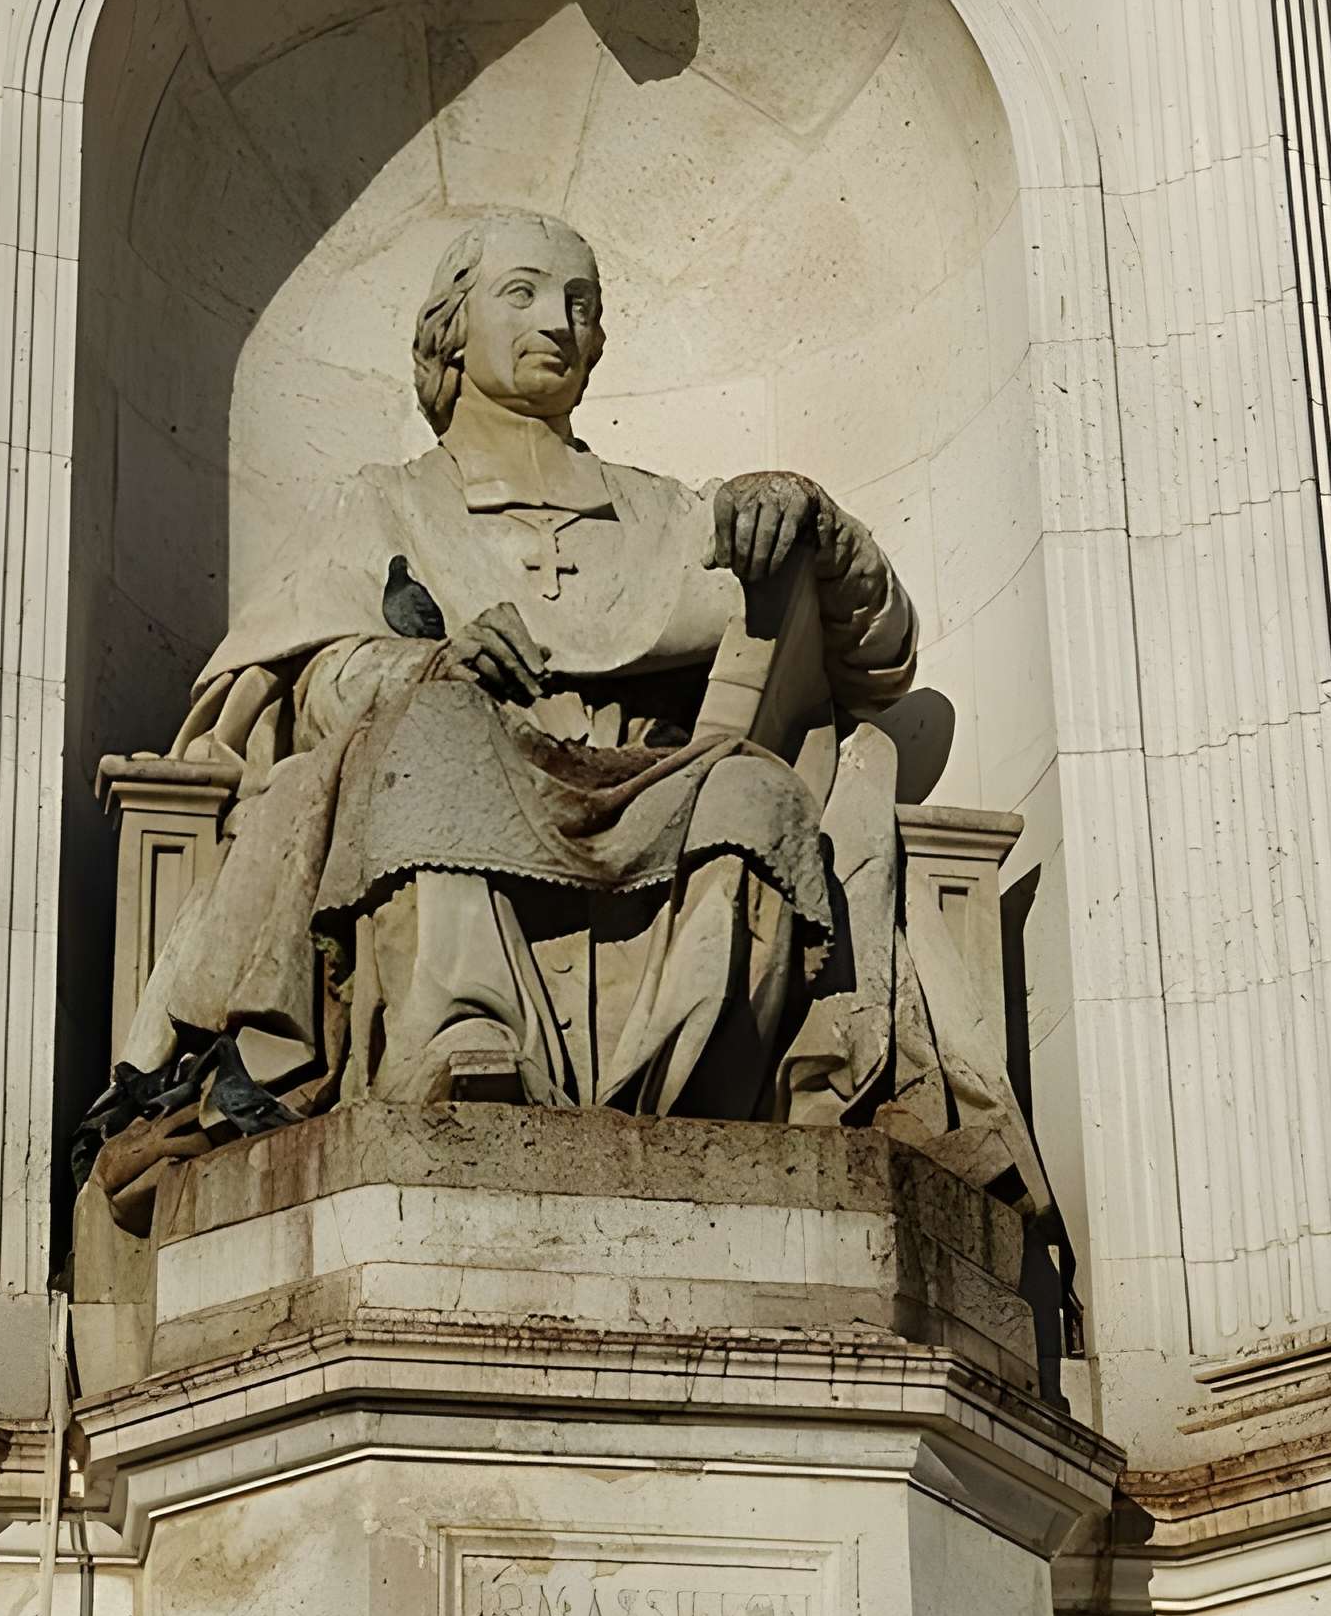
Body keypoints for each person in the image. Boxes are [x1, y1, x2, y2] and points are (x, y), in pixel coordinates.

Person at [78, 210, 1044, 1218]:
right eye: (524, 292)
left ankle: (703, 1091)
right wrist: (429, 662)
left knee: (754, 789)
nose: (560, 322)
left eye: (582, 304)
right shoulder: (386, 506)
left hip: (648, 795)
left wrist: (814, 522)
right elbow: (305, 689)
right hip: (469, 763)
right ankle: (464, 1041)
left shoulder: (670, 512)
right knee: (434, 731)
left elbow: (876, 658)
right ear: (451, 326)